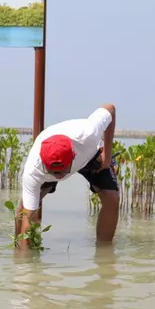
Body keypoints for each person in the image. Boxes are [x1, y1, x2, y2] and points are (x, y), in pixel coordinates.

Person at [15, 104, 118, 249]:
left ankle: (104, 250)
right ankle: (19, 248)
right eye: (53, 173)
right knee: (25, 209)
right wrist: (24, 268)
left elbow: (110, 109)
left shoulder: (89, 133)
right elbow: (28, 217)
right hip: (49, 162)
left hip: (90, 155)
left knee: (112, 197)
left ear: (73, 157)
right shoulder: (34, 170)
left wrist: (107, 156)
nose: (58, 177)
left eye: (62, 172)